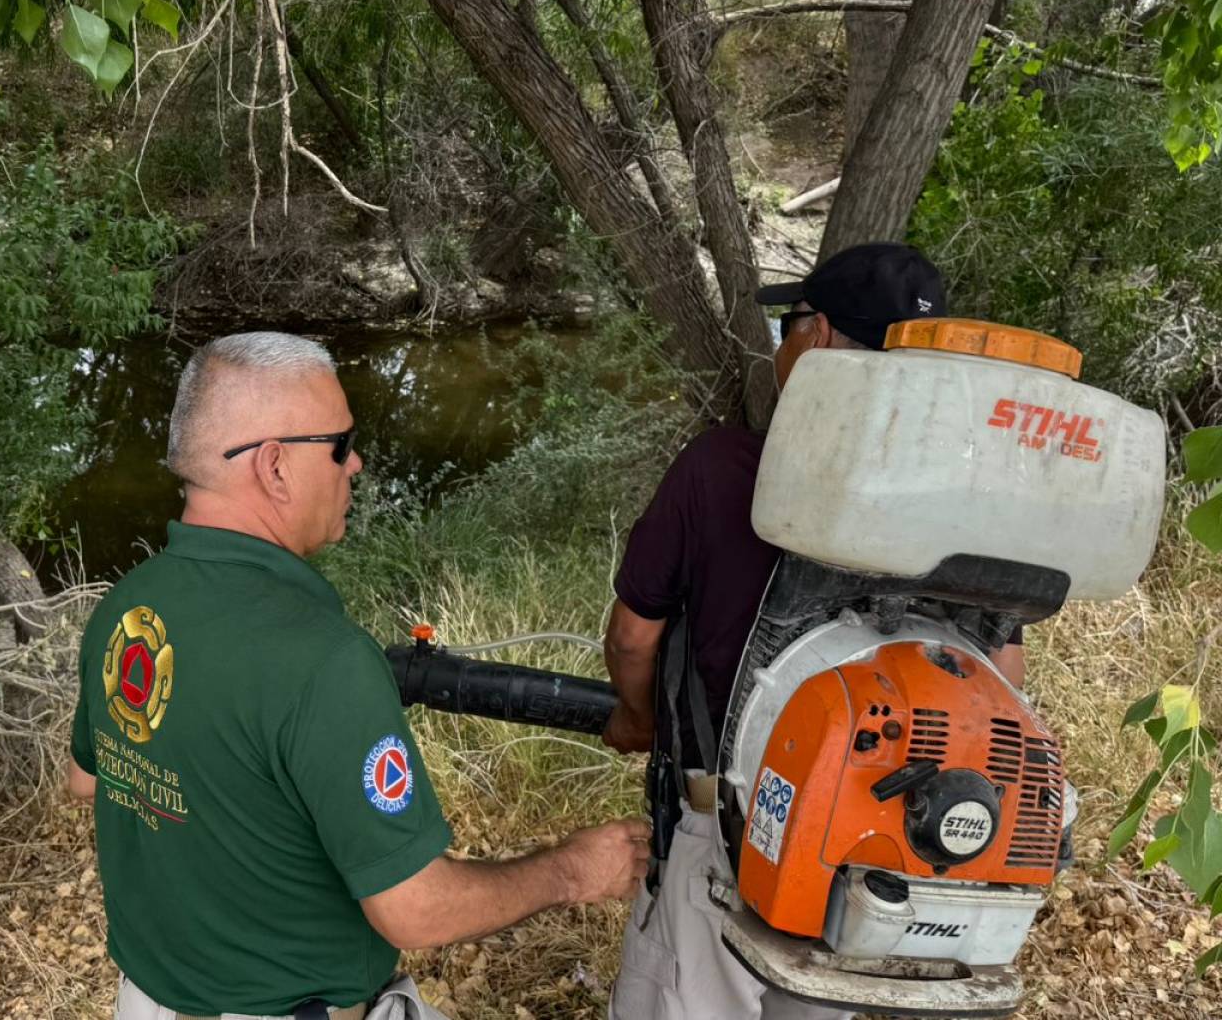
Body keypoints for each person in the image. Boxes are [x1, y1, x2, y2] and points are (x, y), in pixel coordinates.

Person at [65, 331, 649, 1020]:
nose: (357, 464)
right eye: (340, 446)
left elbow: (88, 778)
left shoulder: (128, 604)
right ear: (276, 467)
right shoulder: (322, 659)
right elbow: (415, 910)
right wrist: (573, 870)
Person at [602, 243, 1026, 1020]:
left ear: (821, 335)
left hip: (737, 830)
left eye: (789, 323)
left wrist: (635, 719)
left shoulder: (722, 470)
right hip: (915, 849)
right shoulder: (977, 512)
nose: (782, 342)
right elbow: (1000, 676)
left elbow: (634, 638)